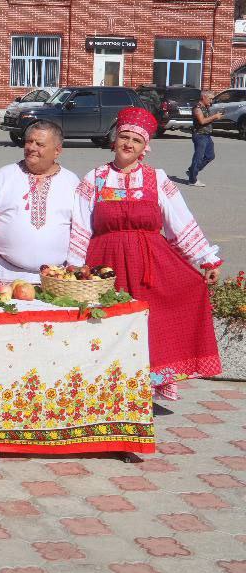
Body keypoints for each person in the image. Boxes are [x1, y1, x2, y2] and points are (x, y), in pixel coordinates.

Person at [69, 107, 222, 400]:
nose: (128, 144)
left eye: (135, 140)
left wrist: (206, 258)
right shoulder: (95, 179)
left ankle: (149, 385)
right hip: (106, 266)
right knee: (108, 325)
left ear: (144, 147)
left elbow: (180, 221)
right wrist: (76, 270)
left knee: (152, 322)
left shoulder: (156, 178)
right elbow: (80, 227)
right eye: (123, 137)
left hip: (149, 263)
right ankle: (110, 389)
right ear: (114, 141)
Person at [0, 121, 79, 283]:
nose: (32, 147)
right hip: (4, 277)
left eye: (40, 144)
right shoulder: (4, 176)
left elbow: (79, 232)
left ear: (57, 151)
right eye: (29, 141)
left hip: (56, 280)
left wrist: (74, 271)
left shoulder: (72, 182)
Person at [188, 90, 222, 187]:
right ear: (204, 97)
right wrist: (215, 117)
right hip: (199, 135)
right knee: (198, 158)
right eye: (210, 99)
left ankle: (192, 171)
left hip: (206, 135)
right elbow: (202, 121)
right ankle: (192, 180)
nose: (211, 101)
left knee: (210, 156)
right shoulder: (197, 108)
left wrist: (216, 116)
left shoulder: (205, 107)